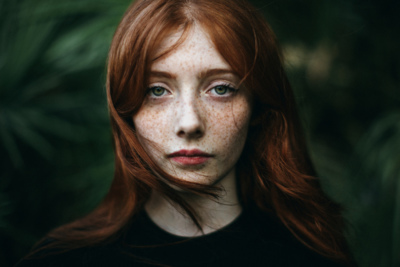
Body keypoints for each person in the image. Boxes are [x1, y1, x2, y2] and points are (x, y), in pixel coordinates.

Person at [17, 0, 356, 266]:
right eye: (157, 90)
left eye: (221, 89)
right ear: (125, 109)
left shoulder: (312, 259)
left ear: (258, 105)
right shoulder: (62, 260)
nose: (189, 122)